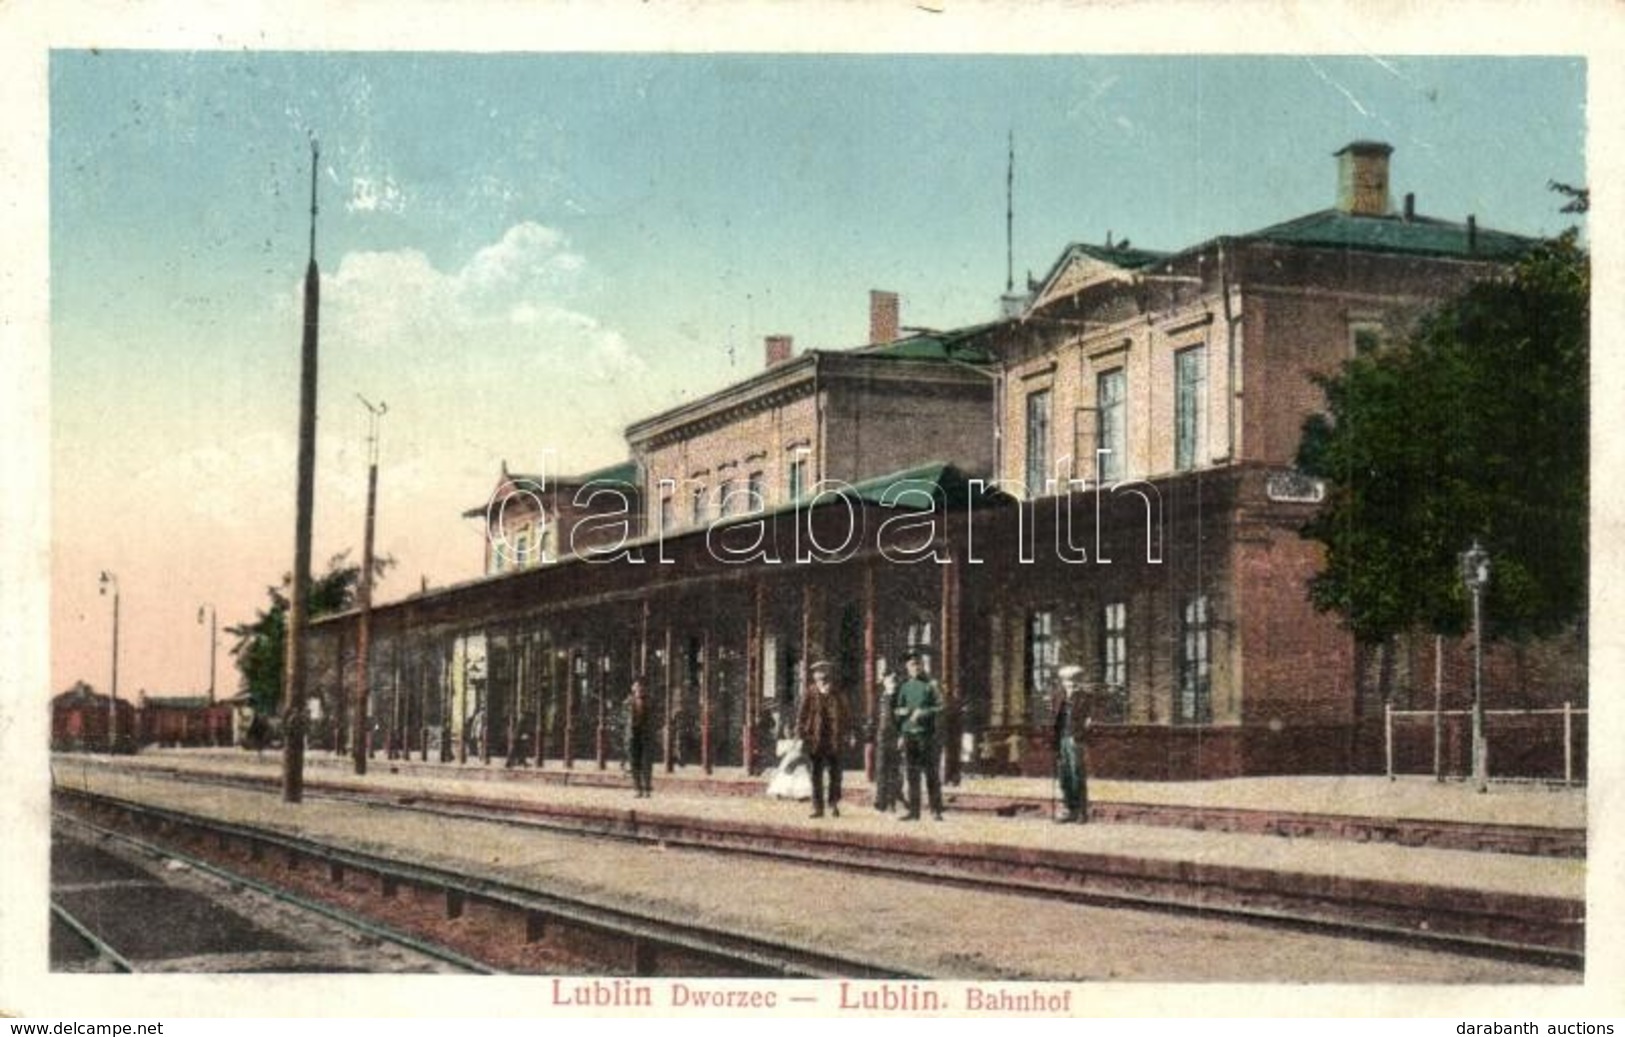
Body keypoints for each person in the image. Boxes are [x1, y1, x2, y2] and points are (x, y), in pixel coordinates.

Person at [796, 660, 851, 818]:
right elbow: (802, 714)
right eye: (818, 673)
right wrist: (801, 734)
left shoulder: (838, 692)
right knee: (816, 774)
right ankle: (817, 807)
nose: (821, 676)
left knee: (835, 774)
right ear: (814, 676)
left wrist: (848, 733)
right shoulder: (810, 692)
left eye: (824, 672)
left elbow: (846, 715)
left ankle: (833, 804)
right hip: (816, 739)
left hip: (834, 738)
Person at [894, 650, 944, 821]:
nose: (915, 668)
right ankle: (914, 812)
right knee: (912, 775)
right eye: (911, 665)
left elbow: (941, 706)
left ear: (923, 666)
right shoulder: (905, 687)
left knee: (931, 773)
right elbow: (898, 710)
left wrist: (924, 712)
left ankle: (935, 810)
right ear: (907, 668)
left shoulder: (931, 685)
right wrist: (901, 733)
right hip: (909, 735)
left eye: (918, 664)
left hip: (926, 735)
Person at [1052, 664, 1090, 823]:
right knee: (1063, 774)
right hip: (1061, 739)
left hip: (1076, 739)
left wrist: (1080, 735)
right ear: (1062, 681)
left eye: (1074, 680)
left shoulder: (1085, 697)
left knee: (1077, 774)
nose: (1071, 684)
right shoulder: (1058, 696)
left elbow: (1089, 720)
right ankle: (1068, 808)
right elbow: (1054, 718)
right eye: (1067, 680)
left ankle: (1081, 810)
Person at [872, 667, 903, 813]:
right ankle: (880, 801)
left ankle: (891, 802)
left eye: (894, 680)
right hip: (882, 736)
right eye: (890, 680)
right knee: (880, 769)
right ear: (884, 681)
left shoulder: (899, 697)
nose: (893, 683)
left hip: (895, 736)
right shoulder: (881, 697)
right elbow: (877, 717)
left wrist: (902, 737)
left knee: (893, 770)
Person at [624, 676, 657, 798]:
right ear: (633, 688)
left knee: (646, 763)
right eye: (637, 686)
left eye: (642, 687)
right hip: (632, 735)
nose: (639, 689)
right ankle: (637, 788)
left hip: (646, 735)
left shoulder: (650, 702)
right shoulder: (628, 702)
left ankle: (647, 788)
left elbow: (655, 717)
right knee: (634, 763)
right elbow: (623, 719)